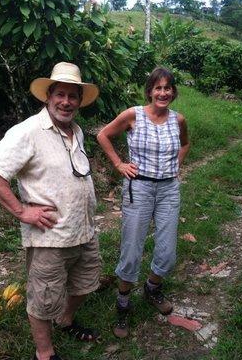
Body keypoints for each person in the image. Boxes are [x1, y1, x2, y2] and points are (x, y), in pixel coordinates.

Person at [0, 62, 101, 360]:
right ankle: (44, 353)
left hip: (84, 229)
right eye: (60, 94)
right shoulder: (29, 131)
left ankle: (66, 320)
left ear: (79, 101)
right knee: (43, 298)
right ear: (48, 96)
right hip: (49, 236)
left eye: (73, 96)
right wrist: (21, 211)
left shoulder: (76, 130)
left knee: (86, 282)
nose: (66, 102)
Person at [97, 67, 190, 338]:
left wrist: (176, 166)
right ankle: (123, 303)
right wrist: (118, 164)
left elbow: (185, 145)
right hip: (139, 187)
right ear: (149, 91)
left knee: (167, 250)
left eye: (168, 88)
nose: (163, 93)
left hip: (169, 189)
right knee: (132, 247)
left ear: (173, 91)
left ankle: (152, 287)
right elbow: (103, 135)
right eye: (157, 88)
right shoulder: (133, 115)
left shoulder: (178, 120)